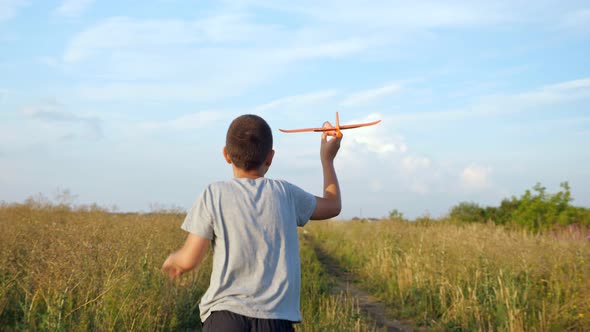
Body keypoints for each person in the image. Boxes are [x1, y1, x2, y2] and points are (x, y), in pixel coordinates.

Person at [162, 114, 342, 331]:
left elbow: (190, 259)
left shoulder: (214, 193)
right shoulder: (286, 193)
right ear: (270, 157)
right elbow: (333, 205)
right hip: (276, 321)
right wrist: (327, 160)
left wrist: (176, 260)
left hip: (224, 319)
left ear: (226, 155)